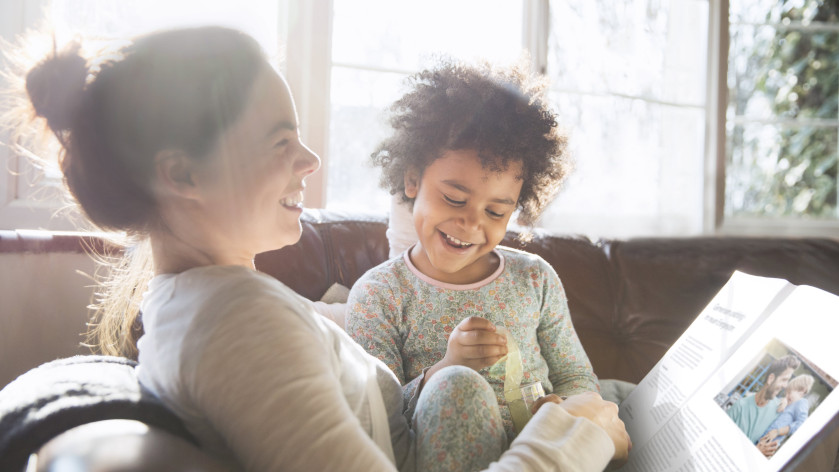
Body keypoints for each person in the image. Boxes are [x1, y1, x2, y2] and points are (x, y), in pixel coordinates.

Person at [12, 26, 629, 471]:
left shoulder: (217, 306)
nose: (309, 161)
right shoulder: (236, 327)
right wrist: (573, 440)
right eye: (281, 141)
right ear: (183, 176)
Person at [345, 58, 600, 441]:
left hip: (542, 453)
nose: (472, 224)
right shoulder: (378, 295)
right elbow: (379, 416)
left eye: (496, 211)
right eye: (454, 198)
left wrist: (566, 408)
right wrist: (447, 368)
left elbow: (576, 376)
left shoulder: (535, 278)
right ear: (412, 180)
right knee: (457, 389)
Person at [726, 355, 801, 457]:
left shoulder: (779, 410)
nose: (785, 386)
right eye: (784, 380)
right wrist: (755, 451)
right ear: (771, 379)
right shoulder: (740, 407)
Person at [758, 374, 815, 449]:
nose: (786, 395)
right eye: (786, 392)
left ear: (801, 391)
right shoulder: (789, 402)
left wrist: (777, 432)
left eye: (789, 393)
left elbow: (801, 424)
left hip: (769, 443)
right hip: (761, 438)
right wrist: (783, 400)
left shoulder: (801, 403)